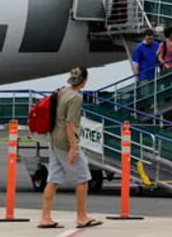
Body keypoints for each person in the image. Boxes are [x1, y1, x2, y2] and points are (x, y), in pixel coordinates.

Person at [38, 67, 103, 229]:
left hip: (53, 138)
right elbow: (70, 123)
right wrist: (73, 148)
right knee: (83, 178)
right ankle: (82, 217)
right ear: (85, 80)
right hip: (65, 142)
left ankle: (45, 218)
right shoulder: (75, 97)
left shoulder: (62, 91)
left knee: (53, 179)